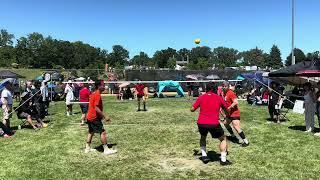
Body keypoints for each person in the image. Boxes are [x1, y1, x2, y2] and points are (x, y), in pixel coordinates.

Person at [191, 83, 231, 165]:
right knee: (223, 139)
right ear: (215, 89)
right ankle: (223, 160)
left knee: (203, 137)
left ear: (206, 88)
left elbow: (192, 109)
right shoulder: (219, 98)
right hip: (213, 123)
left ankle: (204, 156)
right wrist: (228, 116)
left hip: (201, 123)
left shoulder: (201, 97)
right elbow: (226, 109)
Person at [85, 80, 117, 155]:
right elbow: (96, 108)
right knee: (103, 132)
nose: (104, 86)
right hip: (93, 117)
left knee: (91, 132)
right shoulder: (97, 95)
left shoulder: (94, 93)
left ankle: (87, 148)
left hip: (89, 117)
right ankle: (106, 150)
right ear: (99, 86)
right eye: (103, 85)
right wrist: (105, 116)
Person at [223, 81, 249, 147]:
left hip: (234, 113)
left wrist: (229, 107)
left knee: (236, 127)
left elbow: (236, 102)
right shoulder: (224, 93)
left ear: (228, 86)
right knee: (225, 123)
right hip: (229, 114)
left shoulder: (231, 93)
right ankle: (233, 136)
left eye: (225, 86)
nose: (223, 87)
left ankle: (246, 141)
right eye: (223, 86)